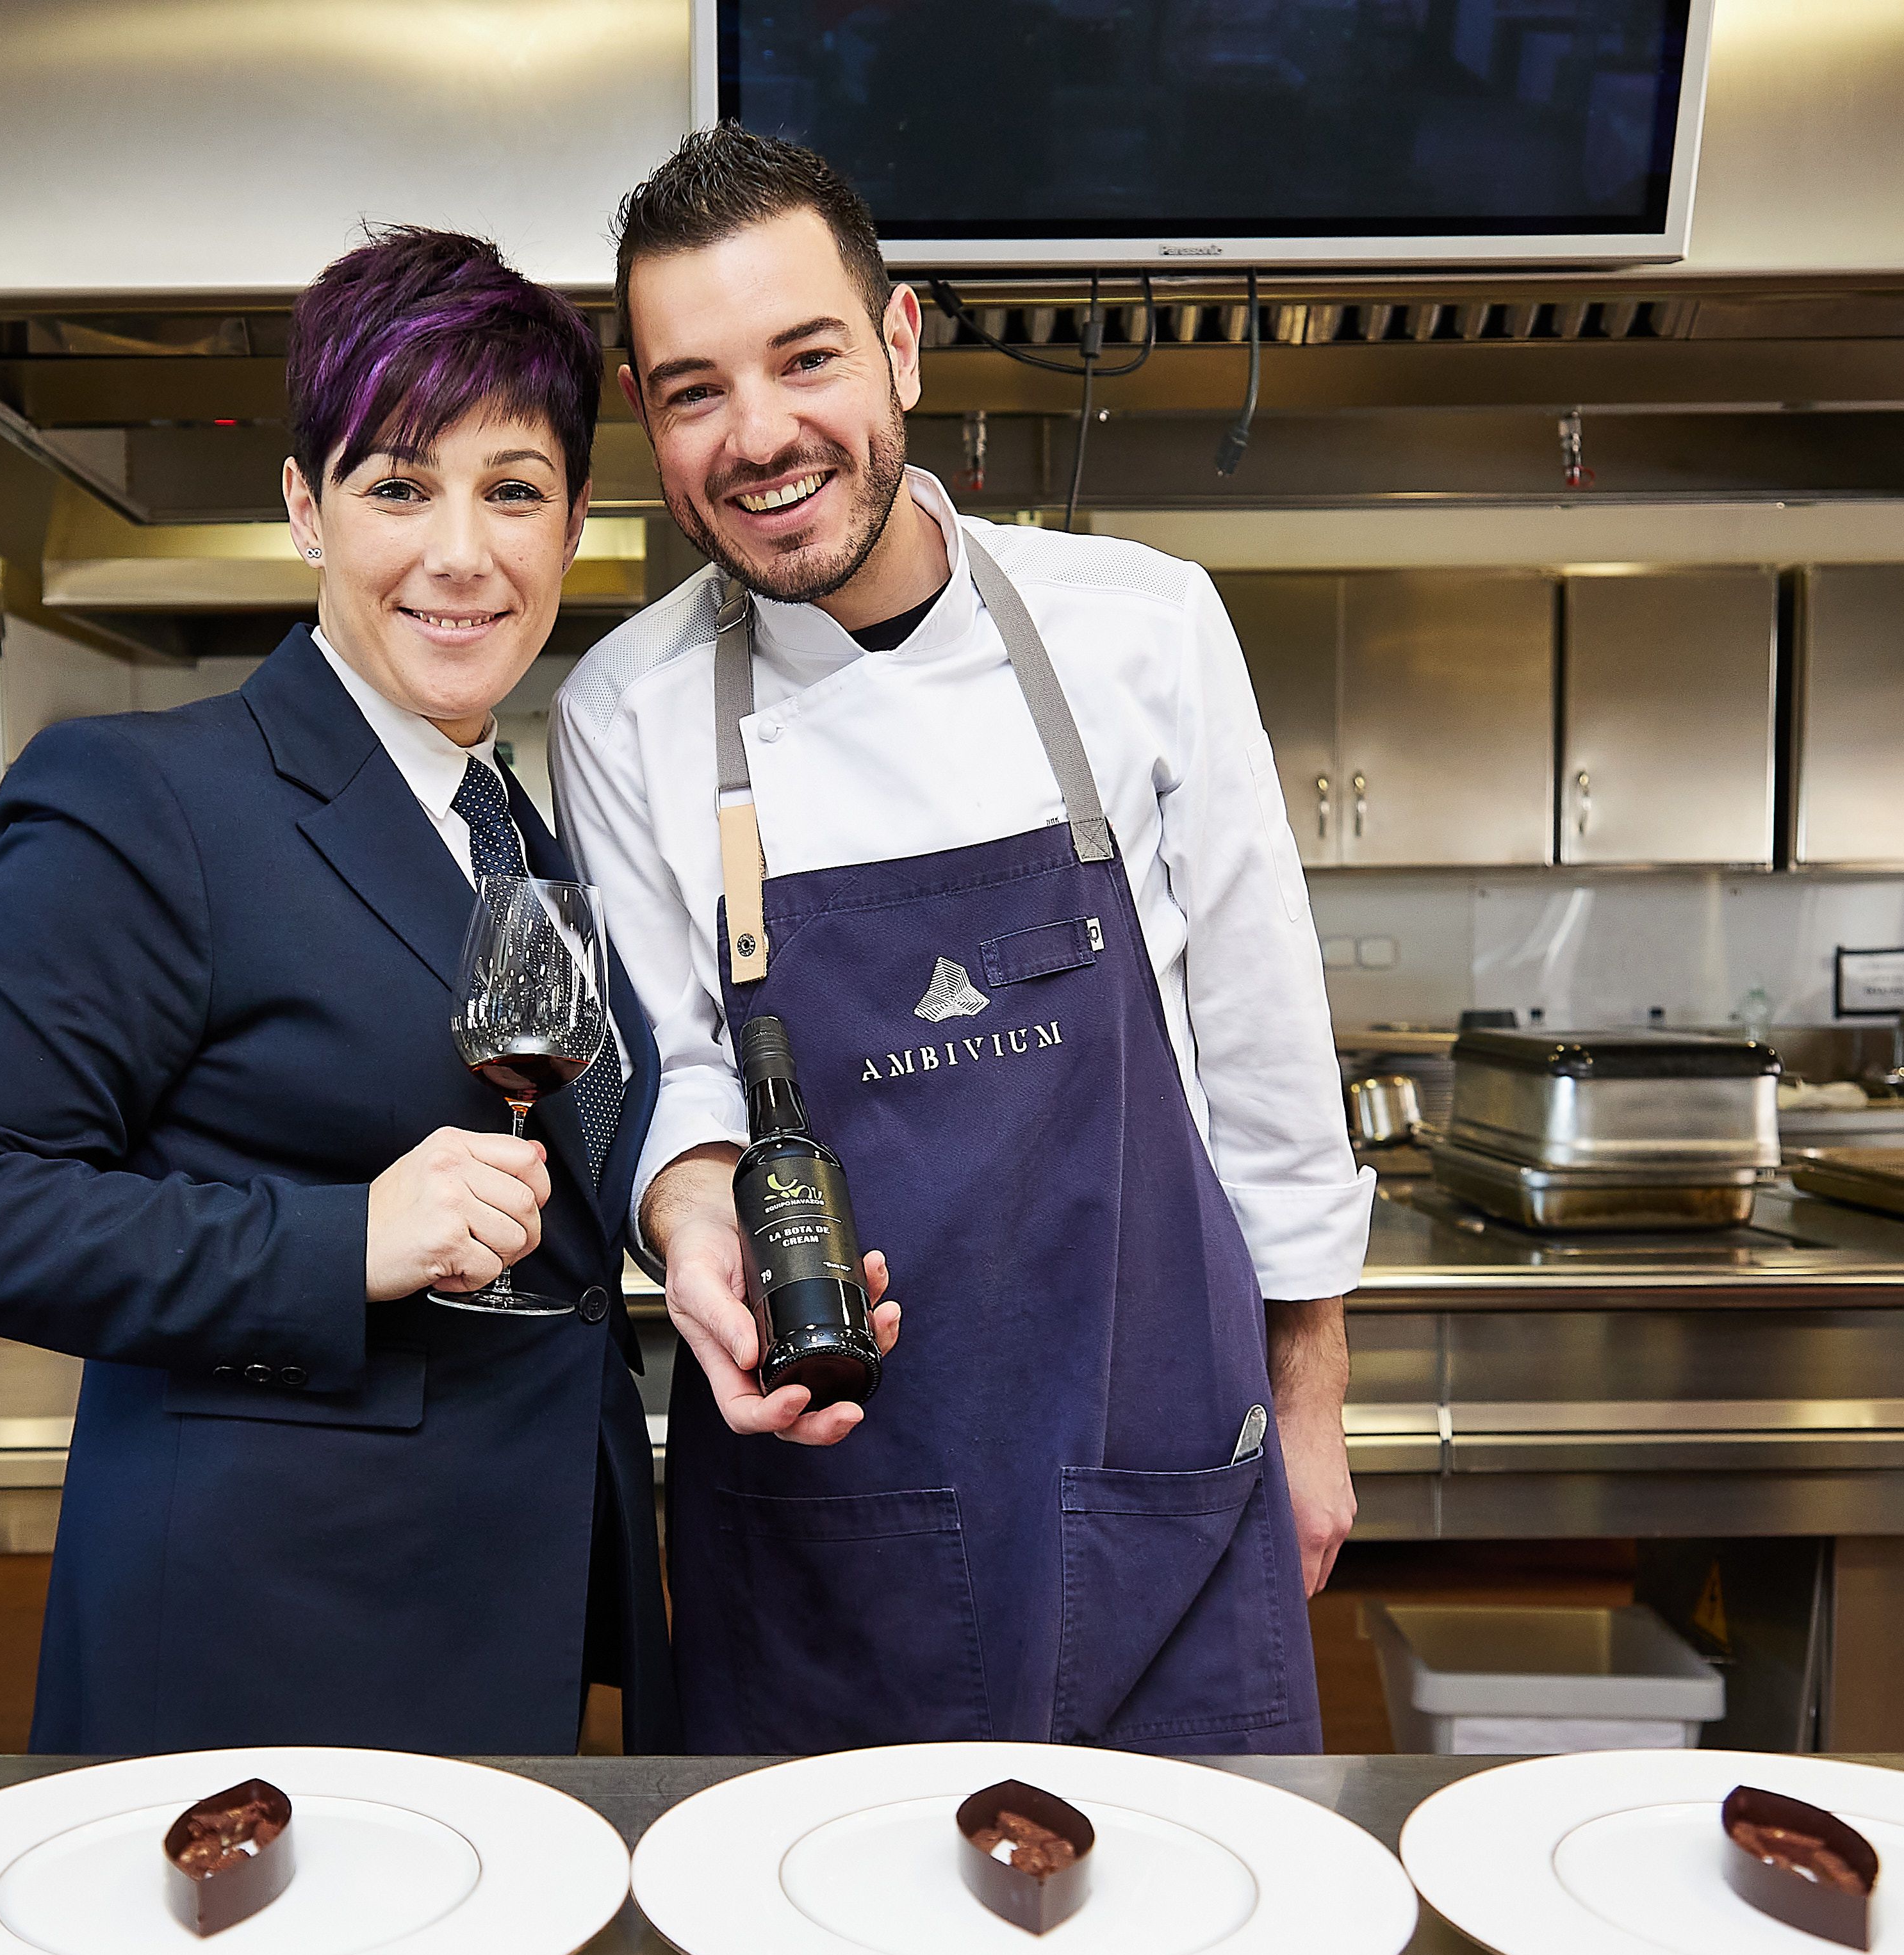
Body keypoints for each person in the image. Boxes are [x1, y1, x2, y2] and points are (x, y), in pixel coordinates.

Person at [555, 130, 1368, 1756]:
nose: (763, 434)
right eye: (695, 387)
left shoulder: (1141, 627)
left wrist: (1310, 1413)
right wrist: (687, 1209)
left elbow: (1269, 1060)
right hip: (819, 1519)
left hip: (1160, 1482)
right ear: (649, 421)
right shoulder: (620, 712)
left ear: (901, 344)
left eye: (806, 358)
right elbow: (682, 1075)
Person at [0, 227, 673, 1757]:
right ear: (304, 508)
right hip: (275, 1632)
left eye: (512, 488)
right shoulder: (149, 797)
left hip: (512, 1600)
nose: (460, 551)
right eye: (395, 486)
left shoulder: (523, 828)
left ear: (573, 523)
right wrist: (342, 1237)